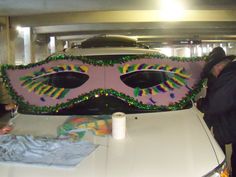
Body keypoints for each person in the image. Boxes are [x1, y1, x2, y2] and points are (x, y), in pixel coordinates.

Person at [196, 46, 236, 177]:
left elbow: (215, 104)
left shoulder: (229, 77)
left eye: (212, 72)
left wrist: (201, 103)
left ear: (218, 67)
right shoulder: (230, 73)